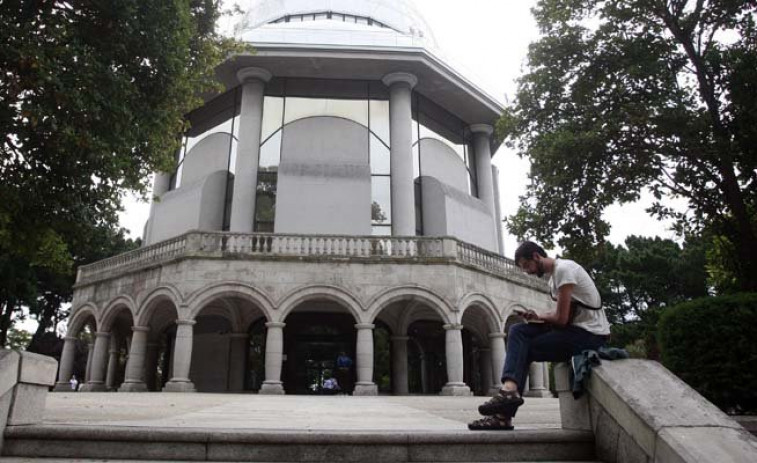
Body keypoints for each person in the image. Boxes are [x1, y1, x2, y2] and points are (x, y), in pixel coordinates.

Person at [468, 241, 610, 431]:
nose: (527, 272)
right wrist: (536, 317)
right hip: (573, 329)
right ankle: (509, 391)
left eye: (527, 266)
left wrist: (540, 315)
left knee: (523, 348)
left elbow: (561, 319)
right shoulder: (553, 280)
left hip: (590, 335)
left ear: (536, 256)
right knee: (517, 331)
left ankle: (503, 414)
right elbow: (564, 318)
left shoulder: (564, 269)